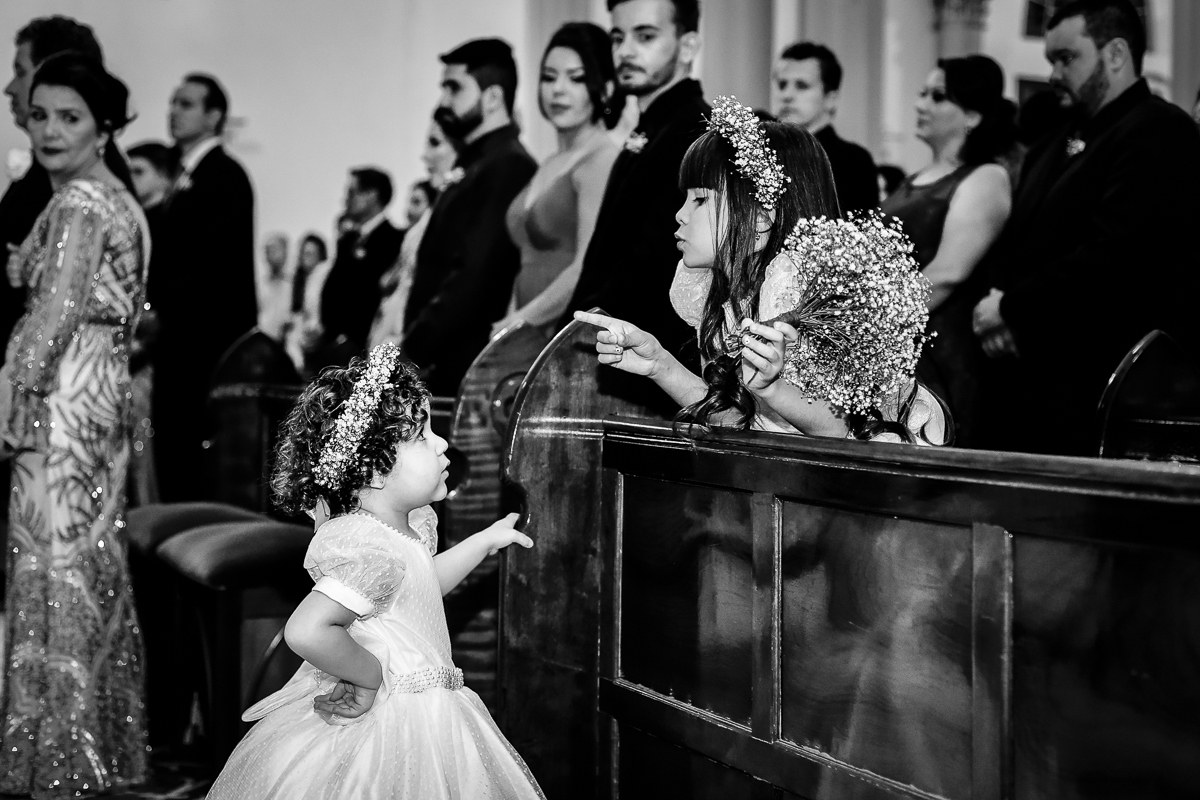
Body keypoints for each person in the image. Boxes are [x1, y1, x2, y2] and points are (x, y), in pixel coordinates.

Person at [206, 344, 544, 799]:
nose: (442, 443)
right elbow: (307, 629)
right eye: (422, 436)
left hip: (429, 712)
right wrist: (368, 676)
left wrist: (481, 543)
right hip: (398, 725)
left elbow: (420, 590)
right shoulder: (370, 548)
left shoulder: (404, 532)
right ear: (373, 470)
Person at [576, 97, 944, 444]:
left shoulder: (795, 286)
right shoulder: (715, 291)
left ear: (760, 220)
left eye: (701, 199)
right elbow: (741, 425)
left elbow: (839, 430)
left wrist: (772, 389)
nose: (680, 214)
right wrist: (659, 364)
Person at [0, 52, 149, 796]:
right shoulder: (119, 198)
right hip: (103, 390)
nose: (50, 130)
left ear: (103, 128)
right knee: (87, 562)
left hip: (61, 394)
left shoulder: (82, 204)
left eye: (70, 117)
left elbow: (53, 313)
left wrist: (17, 390)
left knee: (50, 564)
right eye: (40, 114)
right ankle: (97, 747)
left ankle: (54, 758)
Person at [972, 0, 1200, 456]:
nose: (1054, 74)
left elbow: (1117, 253)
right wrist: (997, 302)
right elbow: (1016, 240)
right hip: (1027, 375)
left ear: (1115, 53)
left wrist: (1013, 307)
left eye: (1067, 58)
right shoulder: (1053, 142)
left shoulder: (1159, 130)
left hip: (1097, 377)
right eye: (1050, 60)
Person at [561, 0, 710, 414]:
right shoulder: (648, 129)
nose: (626, 51)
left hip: (645, 373)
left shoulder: (696, 130)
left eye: (645, 36)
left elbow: (652, 265)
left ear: (688, 45)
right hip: (615, 360)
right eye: (617, 37)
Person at [880, 56, 1015, 446]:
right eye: (922, 93)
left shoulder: (986, 177)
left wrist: (871, 319)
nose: (921, 104)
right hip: (898, 345)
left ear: (972, 115)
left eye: (937, 96)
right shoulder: (914, 178)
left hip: (940, 349)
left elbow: (949, 271)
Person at [403, 38, 537, 396]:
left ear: (493, 97)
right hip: (439, 360)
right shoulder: (476, 160)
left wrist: (409, 353)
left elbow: (474, 276)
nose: (443, 101)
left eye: (454, 88)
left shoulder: (508, 164)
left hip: (462, 364)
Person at [153, 72, 257, 500]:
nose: (173, 111)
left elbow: (208, 264)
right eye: (173, 102)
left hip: (203, 340)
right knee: (173, 449)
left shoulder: (224, 175)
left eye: (186, 104)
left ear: (214, 116)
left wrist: (158, 311)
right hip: (180, 335)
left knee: (190, 452)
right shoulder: (186, 174)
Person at [490, 22, 619, 338]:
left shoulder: (602, 158)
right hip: (525, 328)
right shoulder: (549, 162)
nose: (558, 89)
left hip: (563, 333)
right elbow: (525, 263)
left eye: (576, 78)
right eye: (548, 77)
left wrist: (517, 323)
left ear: (606, 88)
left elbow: (585, 267)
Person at [0, 16, 104, 357]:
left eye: (21, 71)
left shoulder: (87, 190)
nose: (10, 88)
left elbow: (61, 316)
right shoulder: (50, 172)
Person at [369, 117, 459, 351]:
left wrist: (410, 340)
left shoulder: (446, 217)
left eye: (435, 143)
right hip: (400, 327)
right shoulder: (422, 227)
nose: (425, 156)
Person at [771, 41, 878, 214]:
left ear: (831, 98)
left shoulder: (853, 162)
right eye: (782, 85)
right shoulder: (763, 150)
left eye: (802, 86)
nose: (787, 95)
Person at [126, 141, 176, 507]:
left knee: (146, 437)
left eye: (140, 171)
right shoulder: (135, 218)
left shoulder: (168, 220)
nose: (131, 178)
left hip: (150, 347)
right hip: (135, 338)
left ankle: (148, 512)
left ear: (164, 176)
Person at [316, 168, 404, 360]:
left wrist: (351, 338)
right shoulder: (348, 240)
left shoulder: (394, 240)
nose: (345, 200)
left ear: (372, 195)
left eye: (351, 192)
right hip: (333, 345)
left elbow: (375, 295)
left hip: (363, 348)